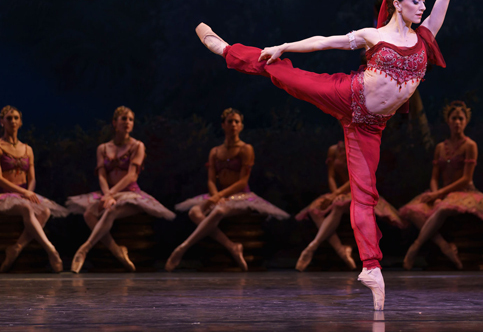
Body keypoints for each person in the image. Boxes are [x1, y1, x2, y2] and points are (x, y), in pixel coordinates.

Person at [195, 0, 483, 310]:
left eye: (422, 1)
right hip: (345, 93)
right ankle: (227, 50)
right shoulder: (375, 36)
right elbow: (325, 43)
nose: (422, 7)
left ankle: (371, 267)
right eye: (416, 1)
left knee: (365, 195)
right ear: (397, 4)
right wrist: (285, 46)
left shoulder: (425, 37)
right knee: (284, 74)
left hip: (369, 127)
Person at [165, 108, 289, 272]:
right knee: (194, 212)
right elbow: (211, 179)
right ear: (223, 125)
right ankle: (232, 246)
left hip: (240, 195)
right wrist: (215, 195)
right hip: (219, 195)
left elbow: (243, 180)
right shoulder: (215, 151)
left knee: (217, 211)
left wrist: (220, 196)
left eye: (237, 122)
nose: (233, 125)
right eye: (230, 121)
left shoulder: (246, 149)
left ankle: (182, 248)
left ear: (242, 126)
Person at [401, 101, 483, 270]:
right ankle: (444, 245)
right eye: (454, 118)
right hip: (443, 192)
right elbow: (434, 177)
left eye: (461, 119)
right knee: (413, 211)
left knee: (443, 209)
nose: (457, 122)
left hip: (464, 193)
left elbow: (466, 179)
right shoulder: (440, 147)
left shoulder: (470, 145)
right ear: (448, 121)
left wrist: (439, 194)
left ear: (466, 121)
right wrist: (435, 194)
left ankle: (415, 247)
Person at [66, 106, 175, 273]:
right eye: (124, 119)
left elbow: (132, 176)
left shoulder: (137, 145)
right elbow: (102, 175)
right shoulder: (103, 148)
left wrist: (111, 194)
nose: (128, 122)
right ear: (114, 123)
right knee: (89, 213)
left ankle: (84, 250)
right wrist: (106, 194)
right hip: (108, 192)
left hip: (130, 194)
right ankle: (117, 250)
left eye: (131, 119)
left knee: (112, 209)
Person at [295, 137, 405, 271]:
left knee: (338, 206)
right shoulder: (333, 149)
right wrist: (334, 194)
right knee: (314, 210)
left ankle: (311, 247)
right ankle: (342, 251)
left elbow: (355, 177)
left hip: (359, 191)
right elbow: (331, 176)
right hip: (340, 192)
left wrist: (336, 196)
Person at [0, 106, 67, 273]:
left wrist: (29, 192)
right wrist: (24, 194)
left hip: (24, 193)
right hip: (5, 195)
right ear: (2, 122)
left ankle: (16, 248)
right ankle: (51, 250)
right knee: (26, 208)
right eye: (9, 118)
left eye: (16, 118)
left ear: (21, 122)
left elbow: (32, 178)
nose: (13, 121)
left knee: (45, 212)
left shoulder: (27, 149)